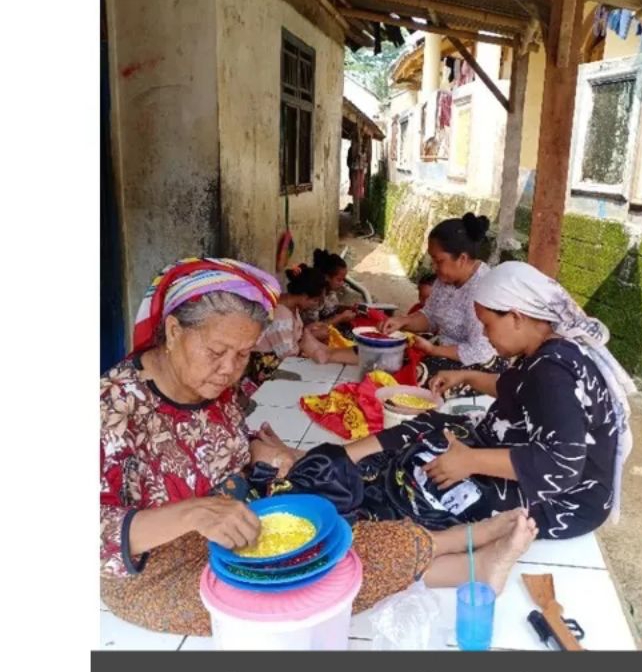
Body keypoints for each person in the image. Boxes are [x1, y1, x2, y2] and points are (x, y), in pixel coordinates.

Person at [100, 256, 538, 637]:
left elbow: (207, 447)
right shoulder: (112, 406)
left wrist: (259, 453)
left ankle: (464, 553)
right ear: (173, 330)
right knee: (310, 586)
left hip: (236, 523)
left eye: (243, 354)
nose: (229, 369)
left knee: (337, 525)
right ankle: (466, 553)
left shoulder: (212, 383)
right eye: (217, 351)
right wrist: (192, 513)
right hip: (160, 570)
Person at [261, 261, 636, 540]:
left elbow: (561, 466)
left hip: (565, 501)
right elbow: (517, 390)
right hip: (522, 455)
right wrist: (468, 376)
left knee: (424, 488)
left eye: (488, 325)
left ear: (517, 317)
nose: (485, 336)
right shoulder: (546, 351)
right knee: (434, 425)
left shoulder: (554, 371)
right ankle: (335, 460)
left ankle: (341, 486)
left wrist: (471, 460)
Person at [379, 213, 505, 395]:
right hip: (443, 350)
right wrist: (403, 321)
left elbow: (479, 350)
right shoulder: (445, 280)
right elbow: (430, 316)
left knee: (418, 377)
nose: (434, 267)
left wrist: (434, 350)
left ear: (462, 259)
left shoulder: (482, 289)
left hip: (479, 365)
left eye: (438, 261)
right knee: (391, 357)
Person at [249, 264, 358, 379]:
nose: (315, 305)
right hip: (269, 366)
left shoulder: (292, 306)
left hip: (285, 358)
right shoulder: (280, 315)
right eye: (315, 301)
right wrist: (311, 337)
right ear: (305, 296)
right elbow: (288, 354)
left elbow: (293, 335)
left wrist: (308, 331)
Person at [304, 248, 357, 340]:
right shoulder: (315, 298)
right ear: (327, 277)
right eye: (339, 280)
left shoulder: (331, 291)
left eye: (343, 280)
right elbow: (313, 329)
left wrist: (350, 308)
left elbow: (332, 308)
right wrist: (340, 318)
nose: (342, 283)